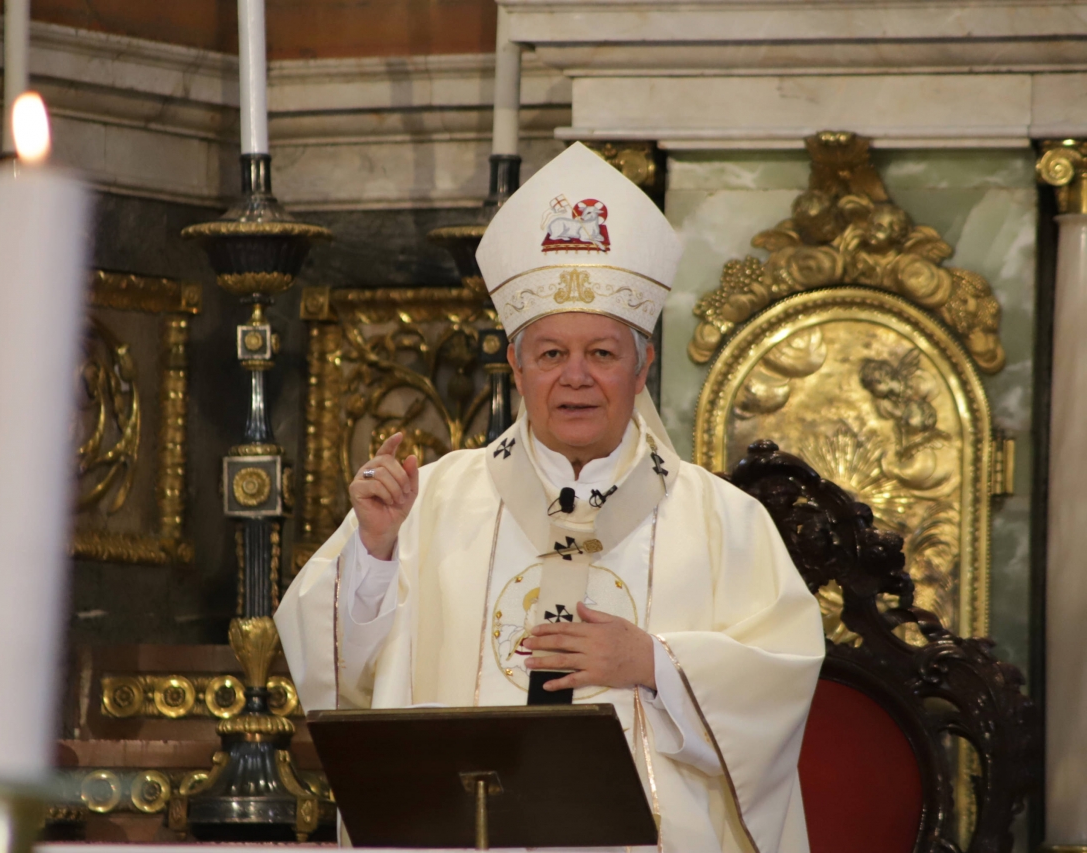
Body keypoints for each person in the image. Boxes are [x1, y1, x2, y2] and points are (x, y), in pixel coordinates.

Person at [276, 142, 825, 853]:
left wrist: (655, 663)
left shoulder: (725, 520)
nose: (575, 377)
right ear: (516, 365)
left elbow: (780, 682)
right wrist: (375, 550)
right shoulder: (431, 500)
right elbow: (335, 680)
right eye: (551, 354)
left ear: (641, 366)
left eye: (601, 353)